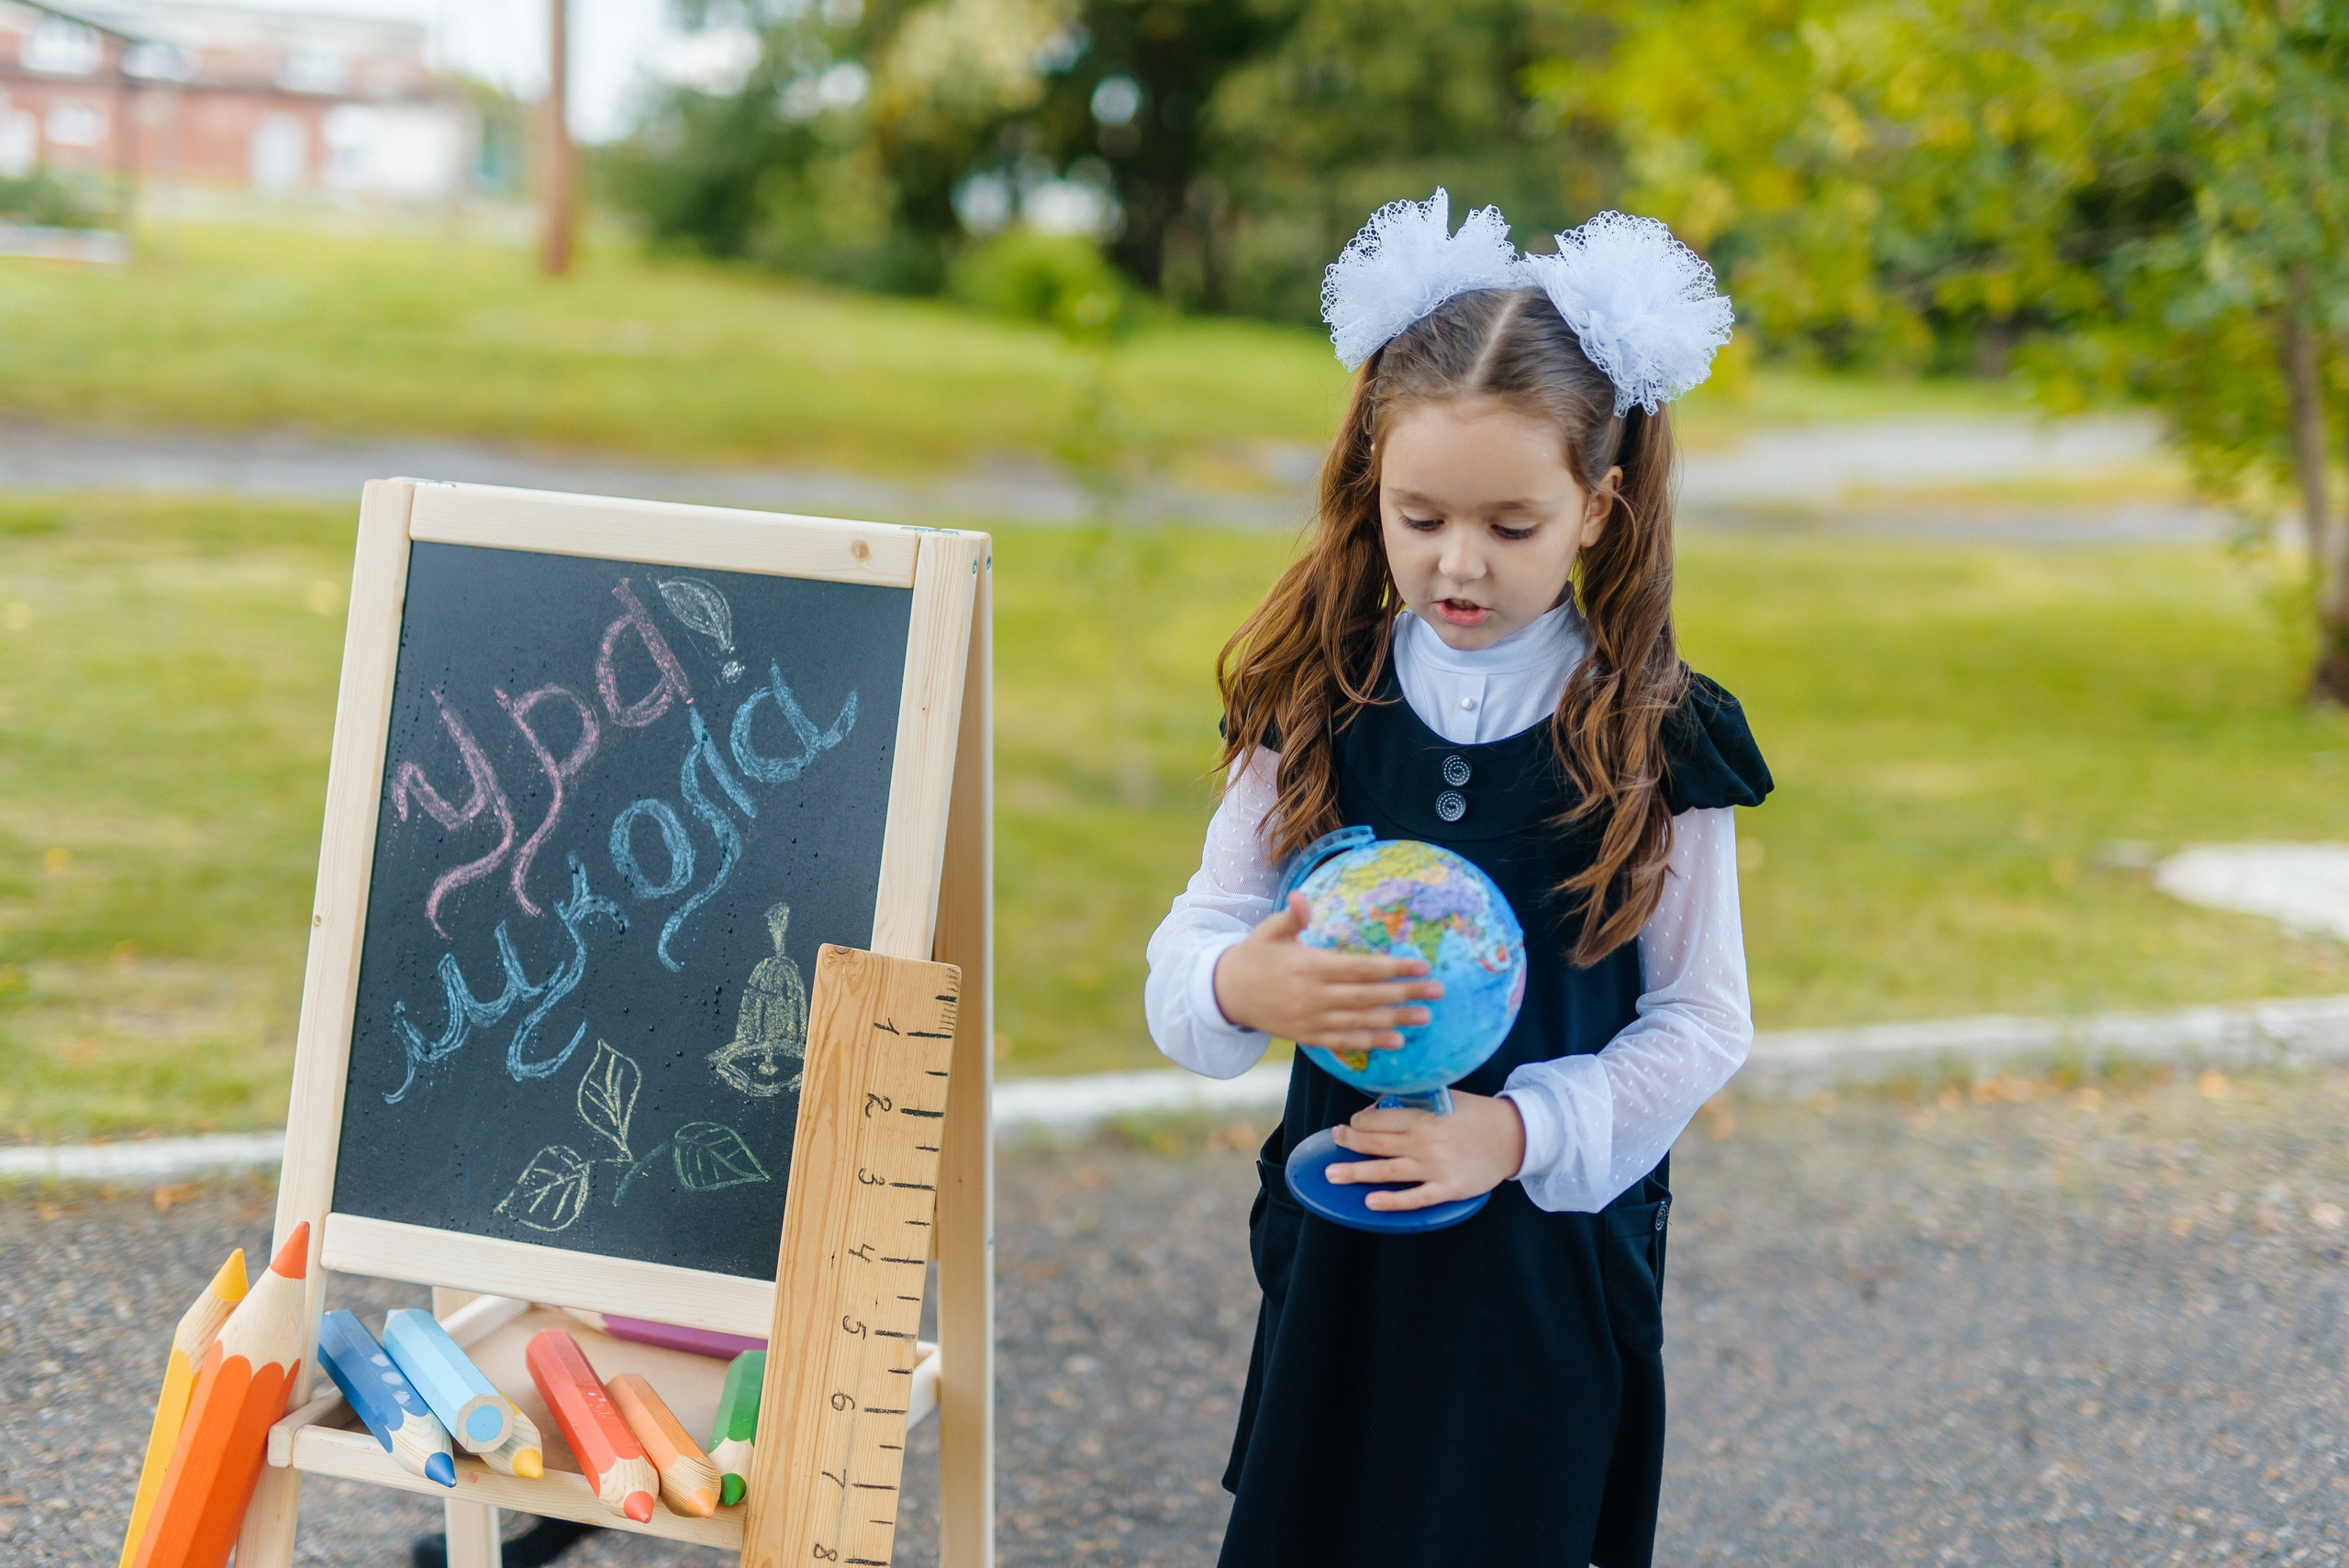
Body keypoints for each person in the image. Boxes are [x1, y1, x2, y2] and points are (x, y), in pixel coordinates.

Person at [1143, 191, 1772, 1568]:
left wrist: (1517, 1133)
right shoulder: (1317, 699)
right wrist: (1240, 981)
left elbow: (1703, 1020)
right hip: (1346, 1260)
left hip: (1538, 1276)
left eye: (1513, 523)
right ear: (1370, 484)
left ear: (1598, 508)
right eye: (1418, 516)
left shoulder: (1653, 735)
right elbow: (1202, 935)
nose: (1458, 562)